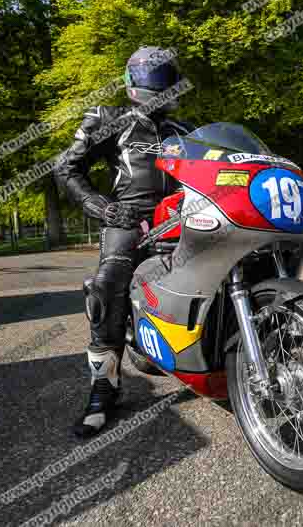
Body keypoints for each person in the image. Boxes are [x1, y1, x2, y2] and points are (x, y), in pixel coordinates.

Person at [54, 46, 195, 437]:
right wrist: (101, 206)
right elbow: (67, 168)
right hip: (129, 217)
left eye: (168, 78)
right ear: (136, 82)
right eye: (159, 79)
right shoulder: (109, 118)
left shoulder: (186, 131)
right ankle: (104, 386)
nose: (164, 87)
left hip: (183, 216)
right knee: (107, 284)